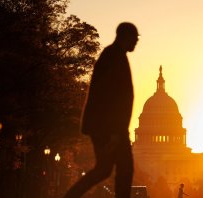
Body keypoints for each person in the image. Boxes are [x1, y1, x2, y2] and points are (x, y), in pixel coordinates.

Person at [63, 22, 139, 198]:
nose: (136, 41)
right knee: (123, 169)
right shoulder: (113, 57)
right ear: (125, 37)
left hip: (109, 126)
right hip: (110, 127)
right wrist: (114, 132)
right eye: (135, 38)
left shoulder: (114, 55)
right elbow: (108, 97)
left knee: (106, 169)